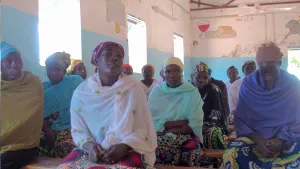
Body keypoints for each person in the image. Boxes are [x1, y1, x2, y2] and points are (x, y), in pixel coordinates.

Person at [58, 42, 157, 169]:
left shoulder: (133, 88)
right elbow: (78, 130)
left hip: (129, 147)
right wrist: (90, 147)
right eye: (108, 53)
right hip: (90, 149)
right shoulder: (82, 92)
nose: (114, 58)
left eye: (119, 56)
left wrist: (124, 146)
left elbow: (142, 127)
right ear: (96, 61)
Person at [222, 42, 300, 168]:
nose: (267, 74)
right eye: (263, 69)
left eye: (271, 69)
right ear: (258, 65)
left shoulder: (293, 83)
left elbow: (297, 120)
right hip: (254, 138)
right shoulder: (248, 84)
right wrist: (258, 140)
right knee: (232, 155)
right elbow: (241, 119)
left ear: (280, 63)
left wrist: (280, 140)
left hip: (288, 138)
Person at [149, 57, 208, 167]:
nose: (172, 75)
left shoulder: (192, 92)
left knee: (192, 151)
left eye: (177, 70)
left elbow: (193, 124)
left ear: (182, 73)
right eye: (168, 71)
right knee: (153, 150)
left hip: (186, 135)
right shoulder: (157, 92)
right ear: (163, 74)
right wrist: (182, 123)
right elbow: (151, 121)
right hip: (159, 135)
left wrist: (167, 127)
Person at [0, 42, 44, 169]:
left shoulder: (32, 83)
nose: (14, 65)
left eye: (17, 60)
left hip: (24, 144)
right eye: (8, 61)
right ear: (1, 65)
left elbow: (30, 119)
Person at [39, 52, 84, 158]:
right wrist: (47, 129)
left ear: (64, 71)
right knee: (32, 145)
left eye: (58, 69)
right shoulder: (42, 88)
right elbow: (38, 113)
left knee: (67, 147)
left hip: (70, 127)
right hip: (46, 126)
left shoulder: (74, 82)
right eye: (50, 69)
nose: (53, 73)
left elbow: (86, 104)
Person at [191, 62, 228, 168]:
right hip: (191, 123)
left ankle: (218, 161)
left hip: (212, 122)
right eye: (198, 77)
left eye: (205, 77)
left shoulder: (214, 89)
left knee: (213, 133)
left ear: (209, 78)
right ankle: (197, 162)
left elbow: (217, 110)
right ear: (193, 77)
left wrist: (207, 124)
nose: (201, 80)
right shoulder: (188, 90)